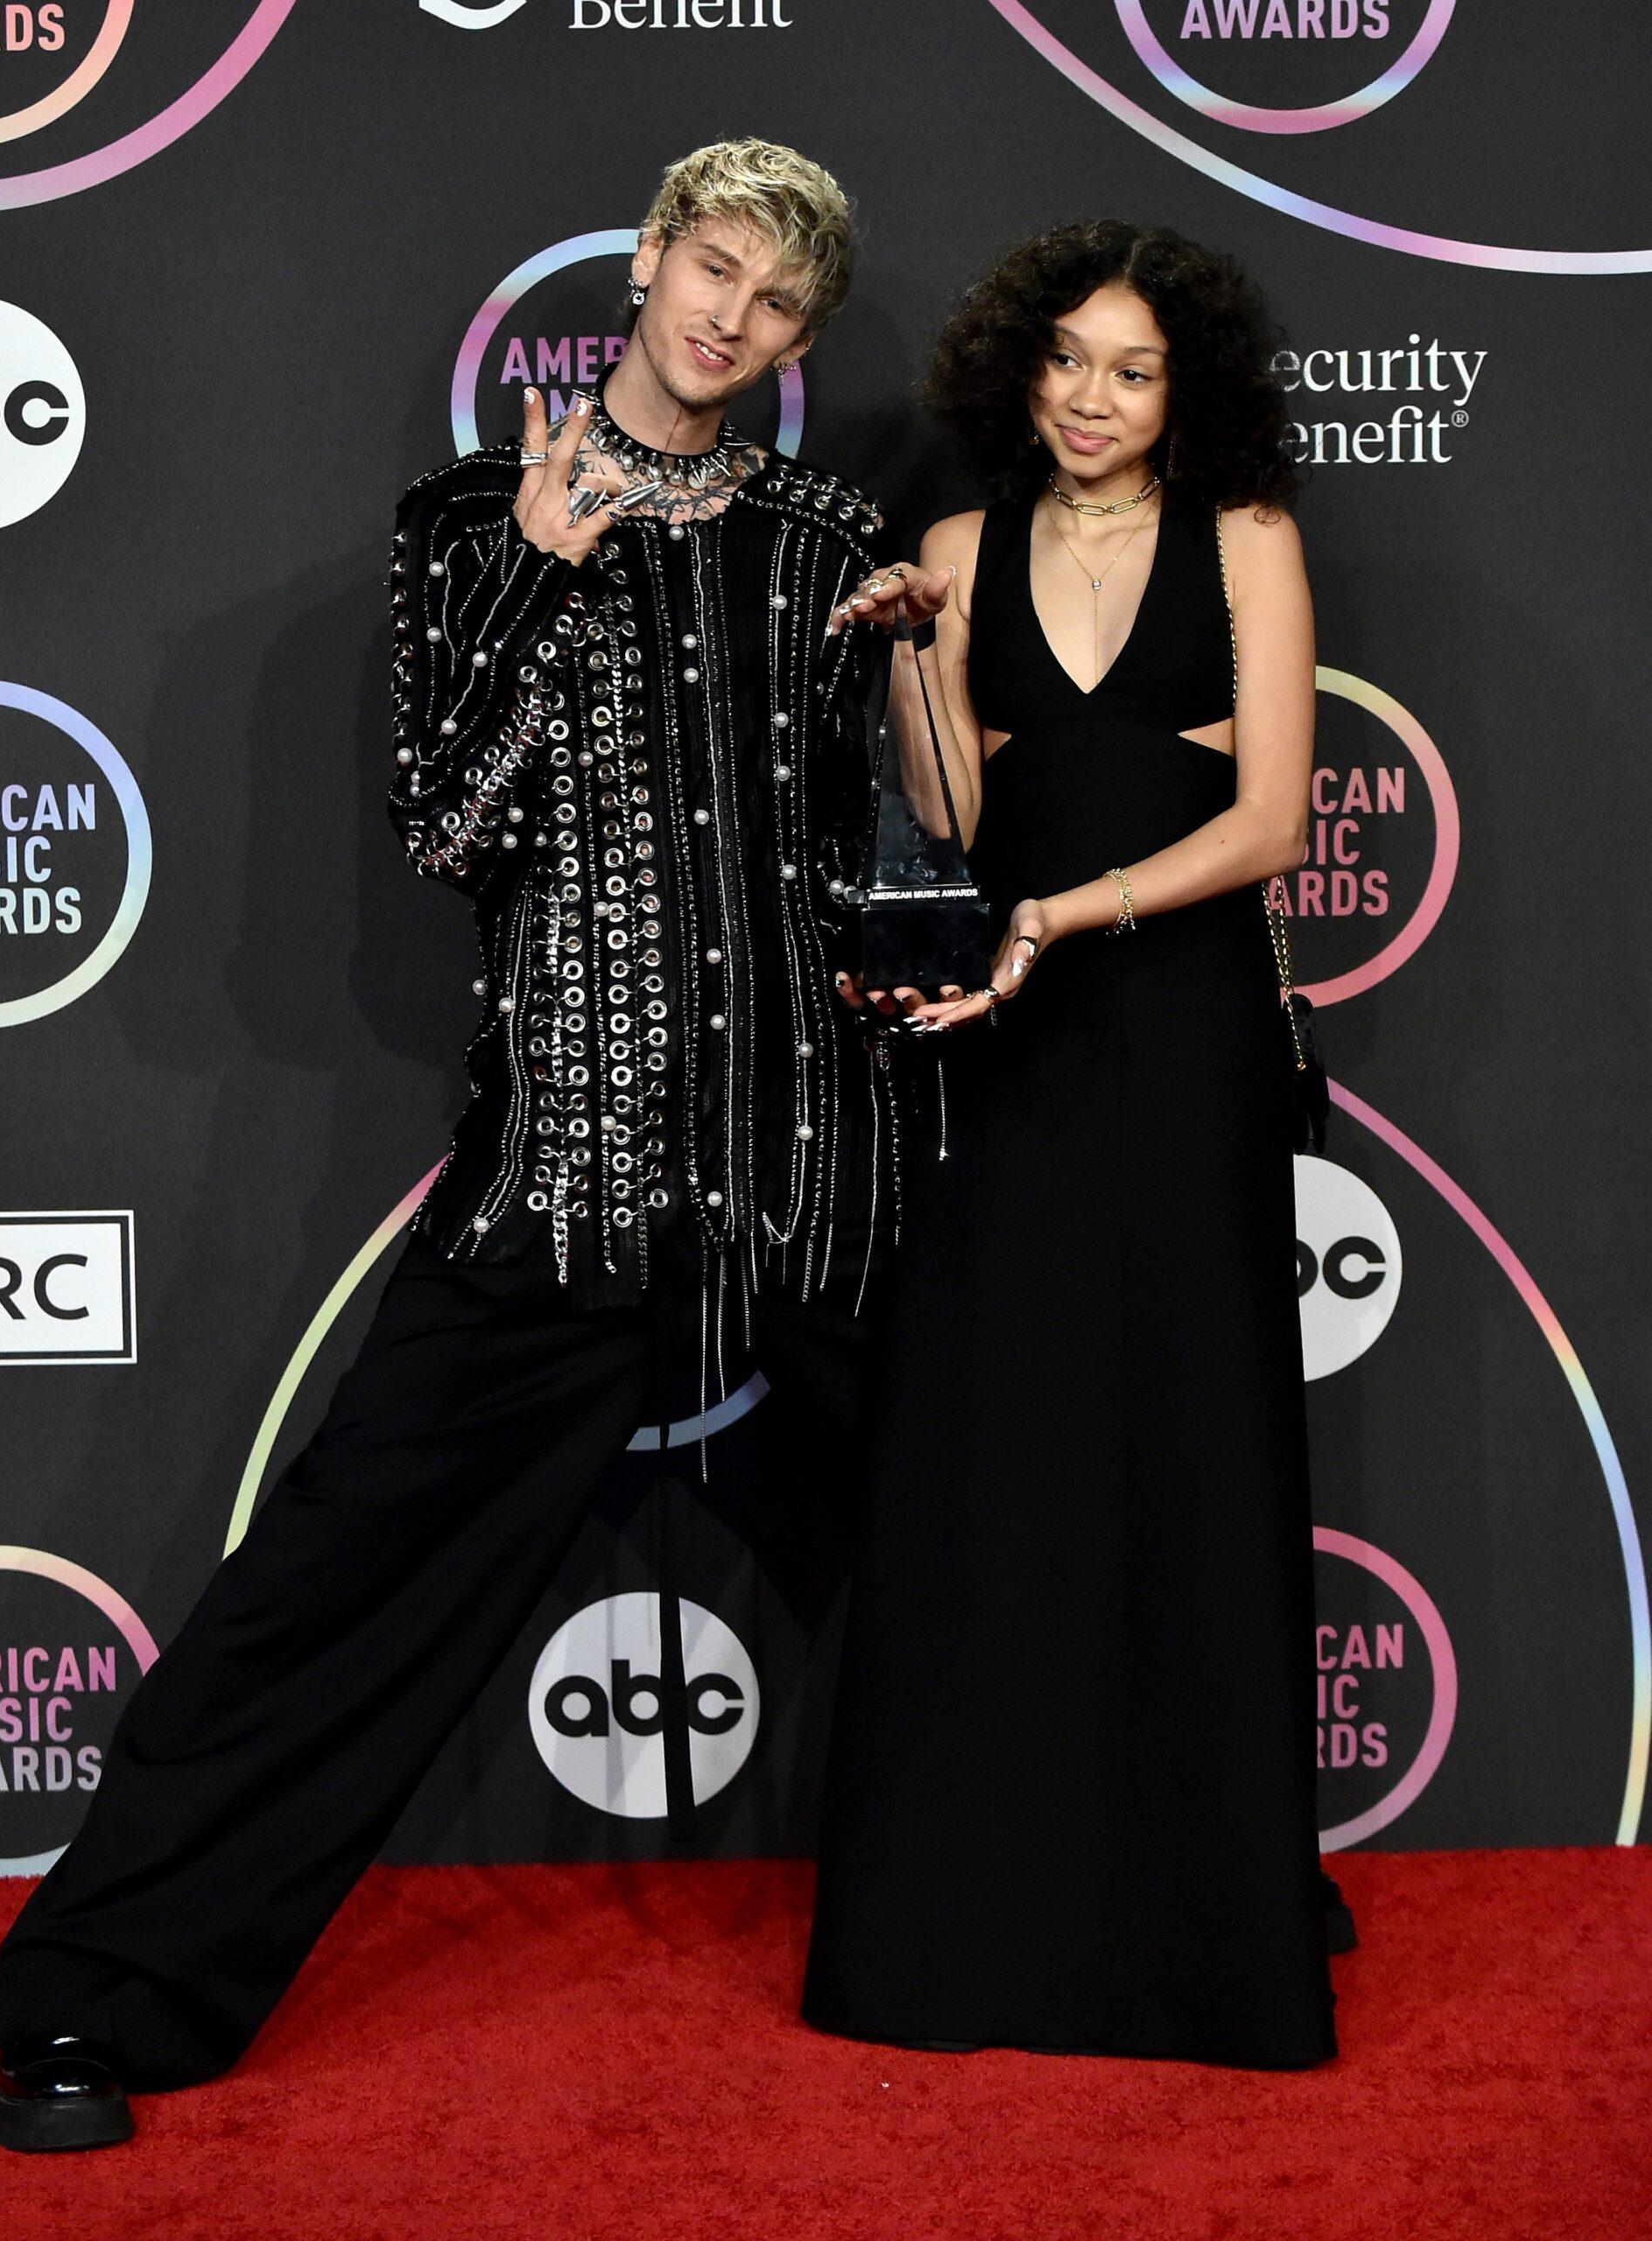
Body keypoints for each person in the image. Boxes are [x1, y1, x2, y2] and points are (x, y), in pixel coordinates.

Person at [0, 137, 938, 2153]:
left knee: (978, 1541)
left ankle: (1117, 1914)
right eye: (713, 267)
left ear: (797, 338)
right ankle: (94, 1994)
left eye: (778, 303)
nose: (731, 318)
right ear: (656, 258)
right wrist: (549, 550)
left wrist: (918, 664)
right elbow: (451, 823)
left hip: (804, 1157)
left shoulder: (834, 533)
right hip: (576, 1163)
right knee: (343, 1570)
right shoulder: (465, 525)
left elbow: (881, 847)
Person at [801, 220, 1344, 2068]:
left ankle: (1208, 1905)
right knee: (1001, 1456)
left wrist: (1070, 911)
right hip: (1012, 1060)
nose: (1093, 399)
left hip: (1186, 1051)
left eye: (1132, 369)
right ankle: (979, 1898)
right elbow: (961, 812)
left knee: (1190, 1441)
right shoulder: (960, 548)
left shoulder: (1250, 543)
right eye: (1066, 363)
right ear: (1014, 373)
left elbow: (1271, 820)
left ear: (1183, 386)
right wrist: (905, 664)